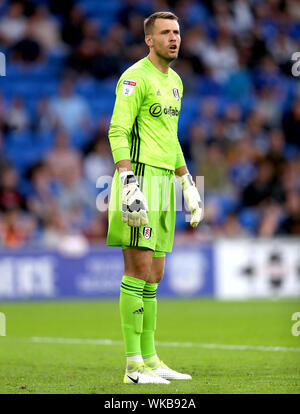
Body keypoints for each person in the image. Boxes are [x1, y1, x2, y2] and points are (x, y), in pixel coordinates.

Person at [107, 12, 203, 385]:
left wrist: (187, 182)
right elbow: (117, 129)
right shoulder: (134, 78)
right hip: (141, 177)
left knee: (155, 275)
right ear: (149, 39)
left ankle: (150, 358)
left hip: (165, 181)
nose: (173, 38)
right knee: (138, 270)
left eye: (177, 32)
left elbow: (170, 136)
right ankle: (133, 366)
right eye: (165, 33)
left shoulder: (176, 81)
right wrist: (127, 178)